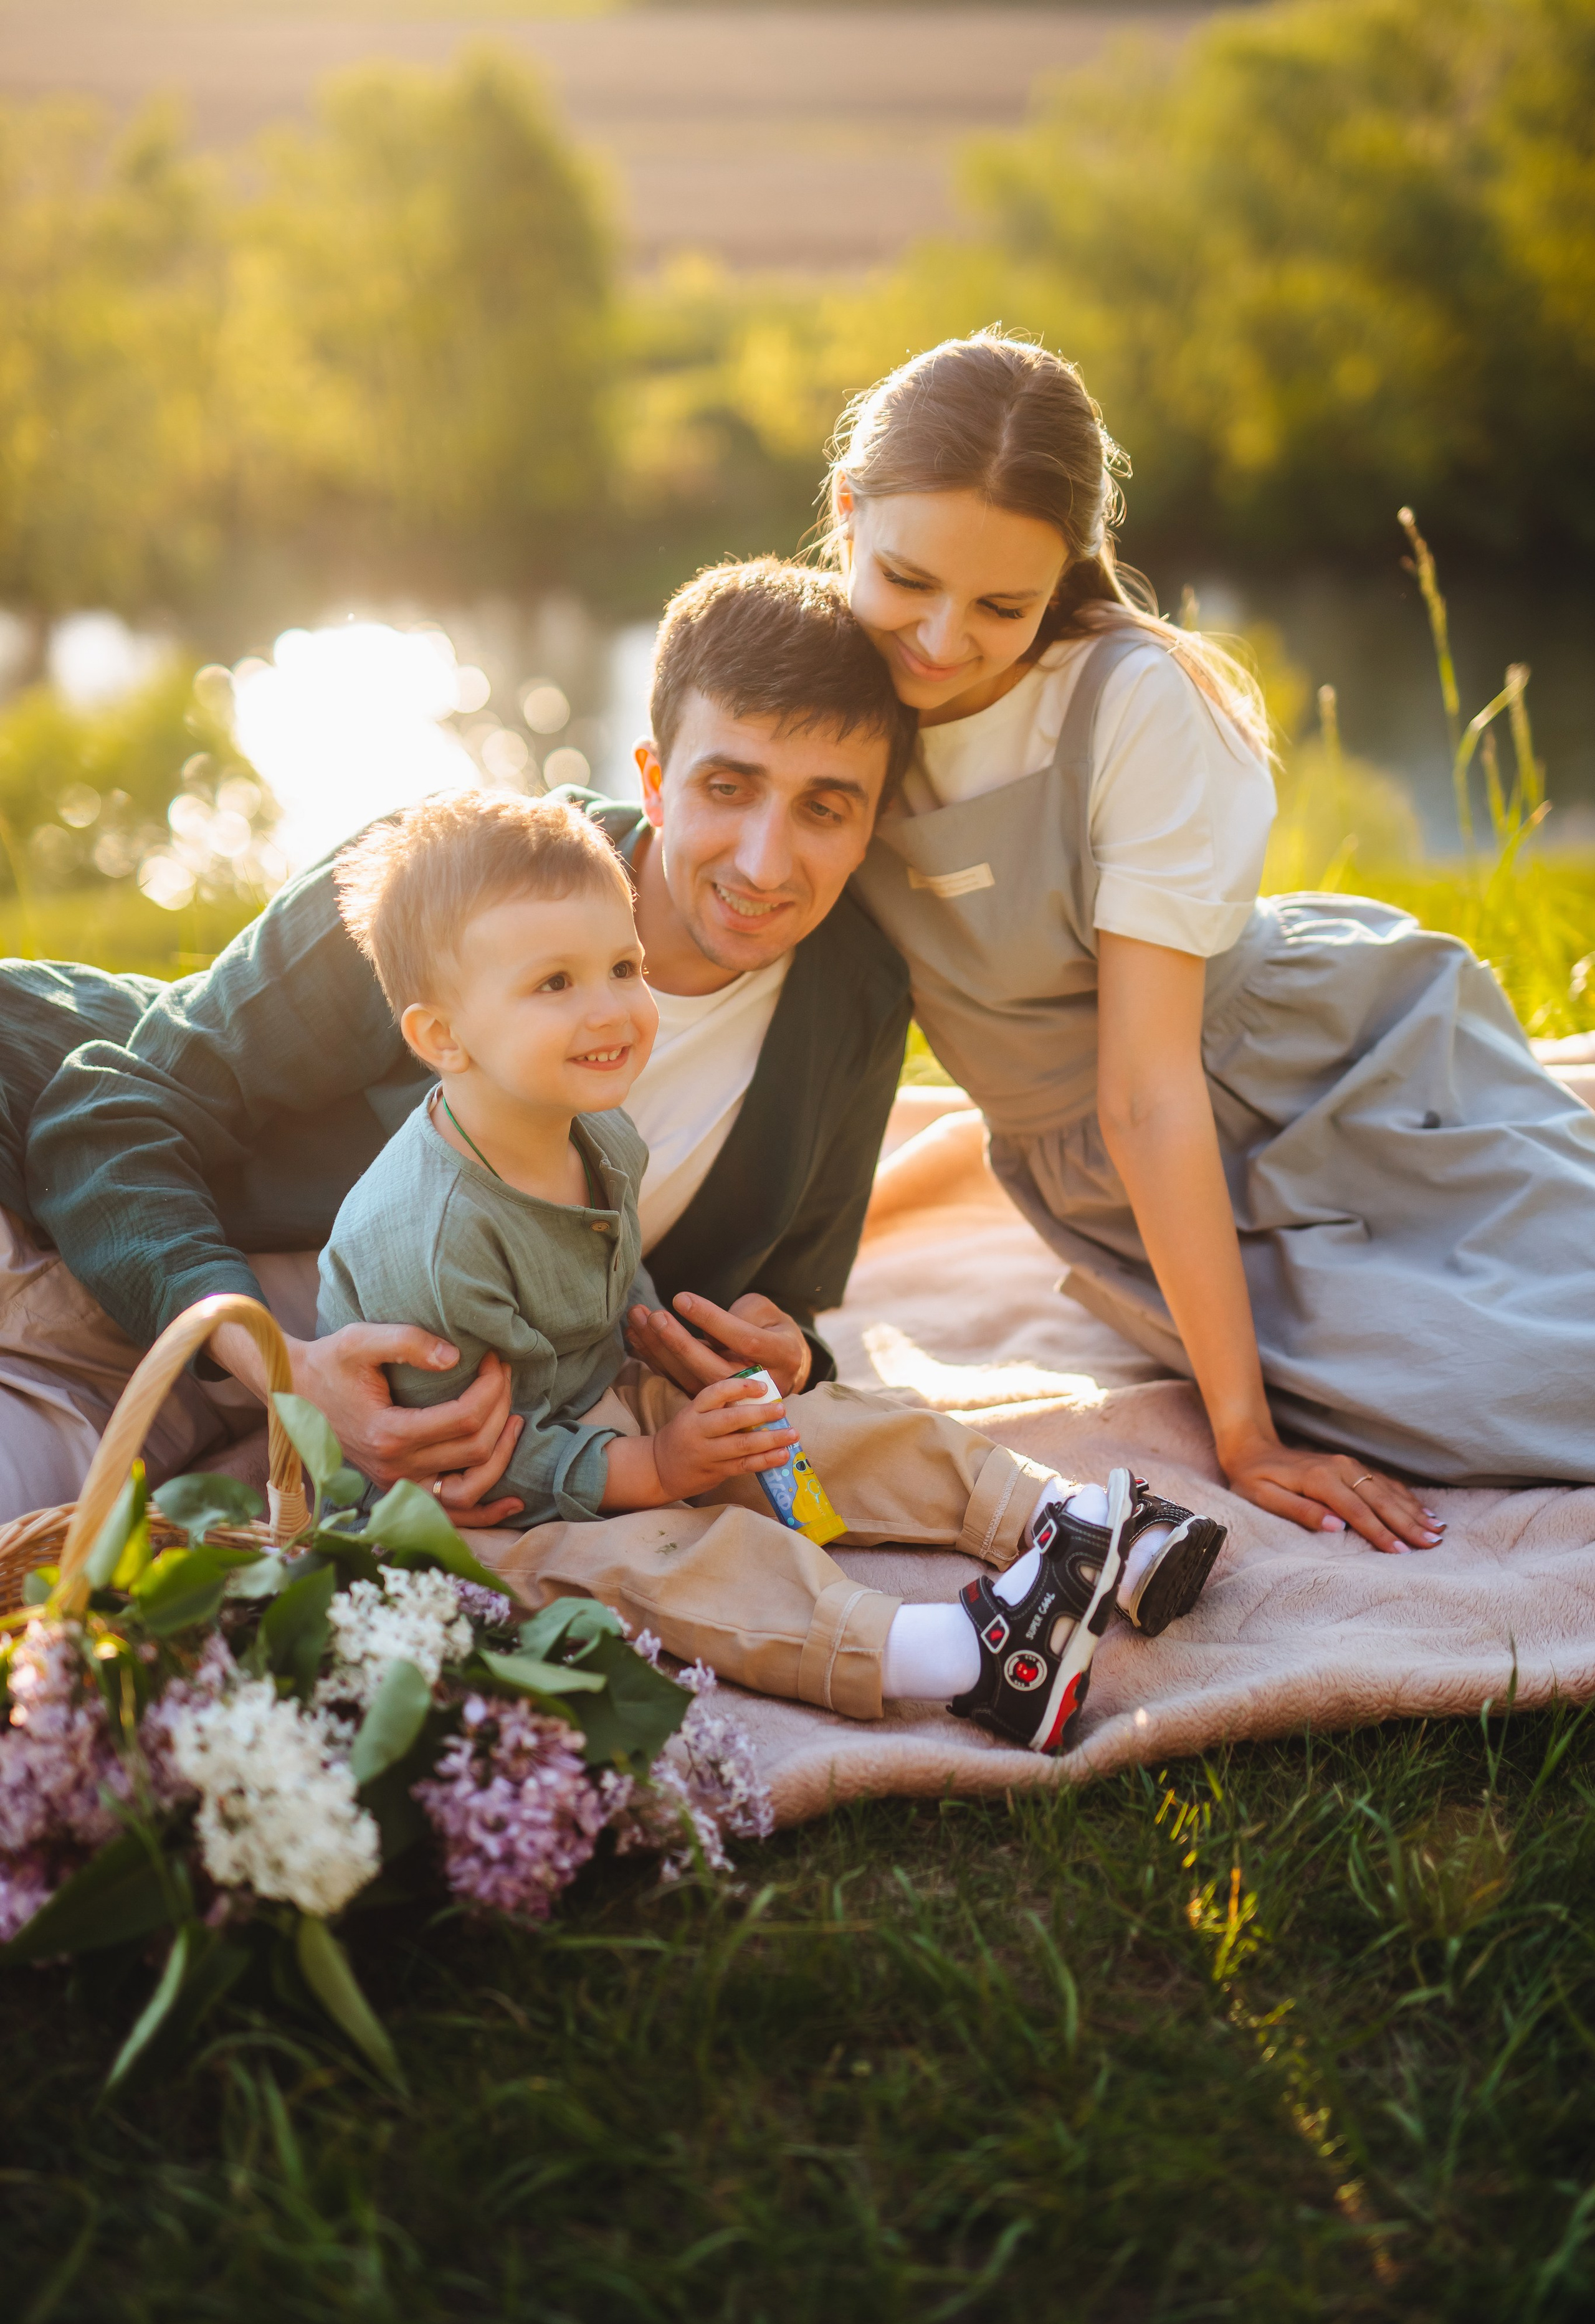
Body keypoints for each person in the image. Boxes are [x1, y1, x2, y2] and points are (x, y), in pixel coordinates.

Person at [830, 331, 1595, 1542]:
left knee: (1533, 1383)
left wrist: (1244, 1437)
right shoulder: (805, 690)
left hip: (1311, 1085)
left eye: (1002, 606)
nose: (937, 637)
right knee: (1436, 1390)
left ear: (1064, 574)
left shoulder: (1128, 703)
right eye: (907, 580)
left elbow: (1146, 1091)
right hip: (1124, 1178)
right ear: (846, 514)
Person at [1, 564, 912, 1527]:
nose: (765, 863)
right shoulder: (443, 882)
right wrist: (286, 1371)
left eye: (825, 807)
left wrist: (788, 1351)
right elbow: (106, 1115)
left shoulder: (853, 1001)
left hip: (273, 1402)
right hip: (82, 1242)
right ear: (653, 779)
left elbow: (789, 1299)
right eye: (728, 787)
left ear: (871, 823)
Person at [317, 785, 1226, 1749]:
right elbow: (468, 1465)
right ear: (443, 1037)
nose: (612, 1009)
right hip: (474, 1506)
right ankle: (967, 1658)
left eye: (623, 966)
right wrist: (656, 1469)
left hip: (593, 1395)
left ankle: (1070, 1523)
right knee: (669, 1558)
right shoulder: (437, 1240)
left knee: (790, 1424)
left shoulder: (598, 1131)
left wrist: (676, 1373)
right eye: (554, 985)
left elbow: (609, 1278)